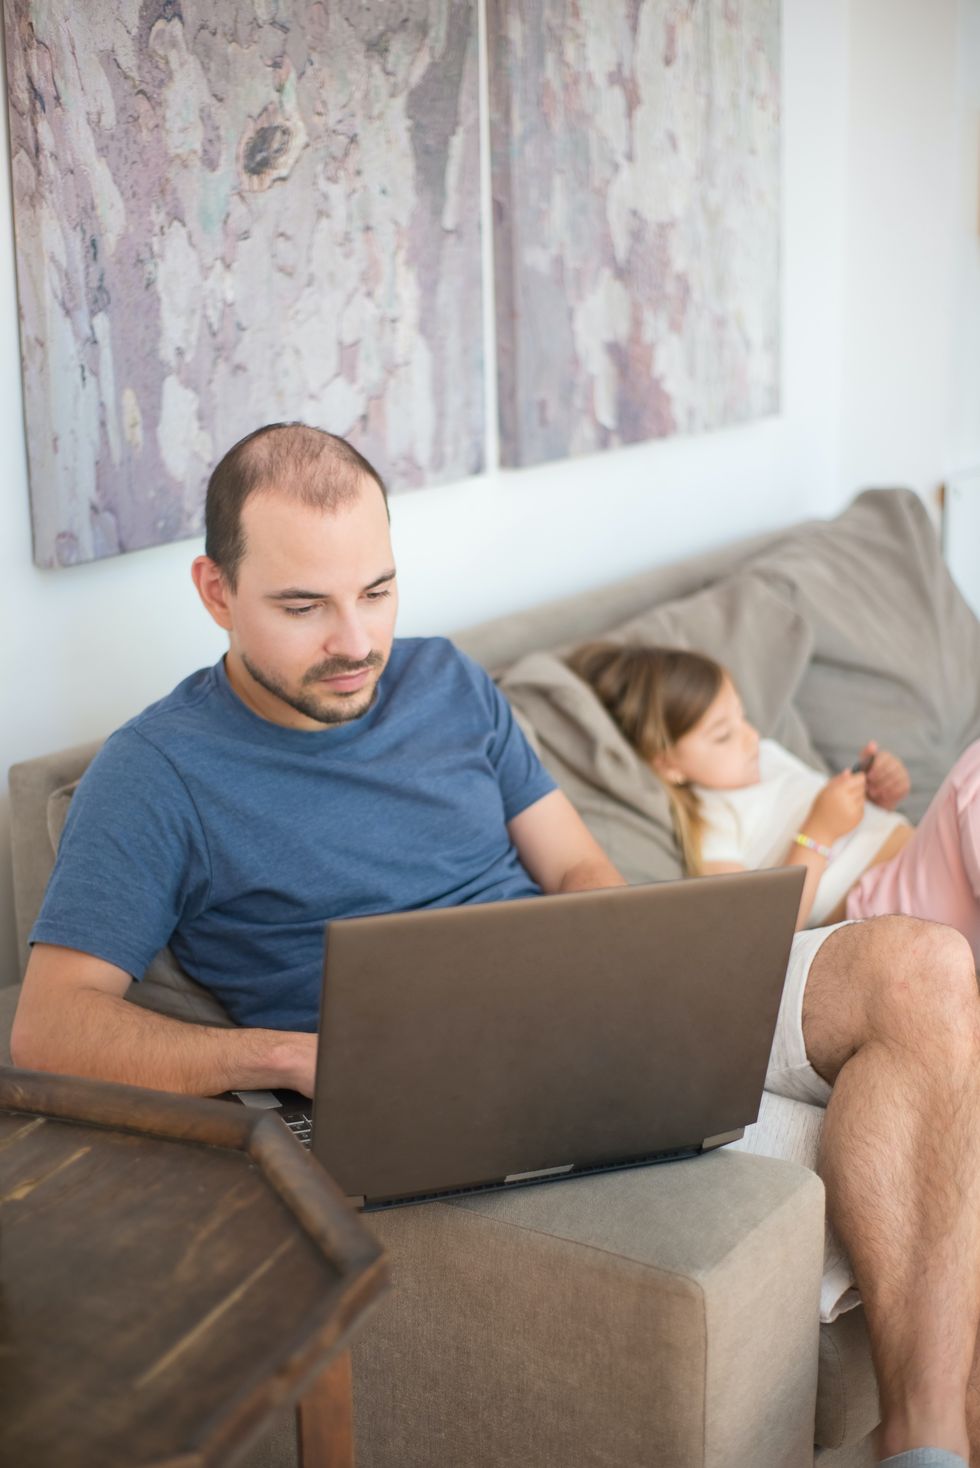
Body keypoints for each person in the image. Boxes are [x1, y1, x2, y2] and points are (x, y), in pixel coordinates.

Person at [11, 423, 980, 1468]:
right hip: (444, 1091)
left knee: (921, 962)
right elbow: (50, 1026)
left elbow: (574, 870)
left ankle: (924, 1444)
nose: (354, 641)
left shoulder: (445, 682)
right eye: (304, 606)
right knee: (941, 1139)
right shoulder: (154, 772)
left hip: (592, 1003)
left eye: (376, 591)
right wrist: (283, 1054)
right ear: (215, 592)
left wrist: (647, 953)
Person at [566, 641, 980, 962]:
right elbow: (755, 938)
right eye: (723, 735)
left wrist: (880, 796)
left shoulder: (767, 754)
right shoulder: (714, 824)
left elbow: (852, 827)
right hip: (887, 911)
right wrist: (818, 832)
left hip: (926, 866)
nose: (749, 737)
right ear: (669, 763)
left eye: (742, 717)